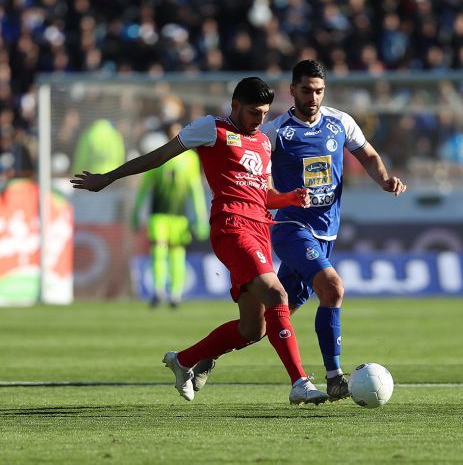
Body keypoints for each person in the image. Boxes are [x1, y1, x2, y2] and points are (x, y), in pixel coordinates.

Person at [71, 77, 329, 405]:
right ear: (235, 106)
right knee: (277, 294)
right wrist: (109, 177)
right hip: (232, 227)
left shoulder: (264, 142)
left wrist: (290, 198)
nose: (260, 119)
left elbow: (264, 194)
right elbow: (160, 156)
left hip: (260, 231)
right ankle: (299, 382)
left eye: (264, 113)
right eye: (254, 112)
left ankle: (183, 360)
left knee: (254, 329)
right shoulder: (211, 128)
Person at [192, 60, 407, 402]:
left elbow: (367, 154)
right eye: (306, 90)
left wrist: (384, 179)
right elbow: (258, 178)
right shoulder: (275, 131)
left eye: (319, 91)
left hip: (326, 234)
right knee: (333, 288)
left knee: (267, 323)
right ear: (292, 90)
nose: (313, 97)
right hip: (291, 228)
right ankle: (334, 377)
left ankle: (207, 355)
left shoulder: (341, 122)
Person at [132, 120, 210, 308]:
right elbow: (145, 187)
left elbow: (195, 190)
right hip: (158, 215)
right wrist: (136, 211)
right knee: (158, 252)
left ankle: (175, 294)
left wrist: (201, 216)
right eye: (172, 131)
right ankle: (158, 291)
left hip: (179, 217)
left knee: (177, 254)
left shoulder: (190, 159)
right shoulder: (158, 155)